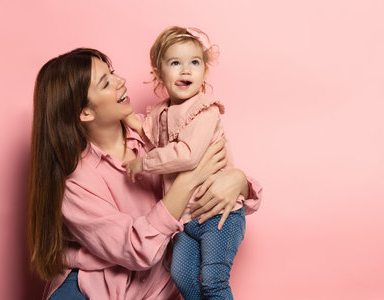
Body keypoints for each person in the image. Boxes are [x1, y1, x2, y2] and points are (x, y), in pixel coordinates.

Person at [28, 48, 262, 300]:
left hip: (157, 282)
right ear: (85, 112)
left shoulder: (155, 131)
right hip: (96, 290)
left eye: (113, 73)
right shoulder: (75, 183)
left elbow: (218, 168)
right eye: (106, 82)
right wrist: (189, 179)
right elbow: (137, 249)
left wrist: (239, 181)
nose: (121, 82)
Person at [122, 26, 258, 299]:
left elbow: (188, 154)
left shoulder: (204, 111)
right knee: (181, 277)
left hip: (220, 214)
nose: (186, 71)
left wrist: (144, 163)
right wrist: (126, 117)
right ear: (159, 74)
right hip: (185, 220)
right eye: (175, 63)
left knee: (213, 281)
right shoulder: (162, 112)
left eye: (194, 63)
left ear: (204, 72)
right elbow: (147, 130)